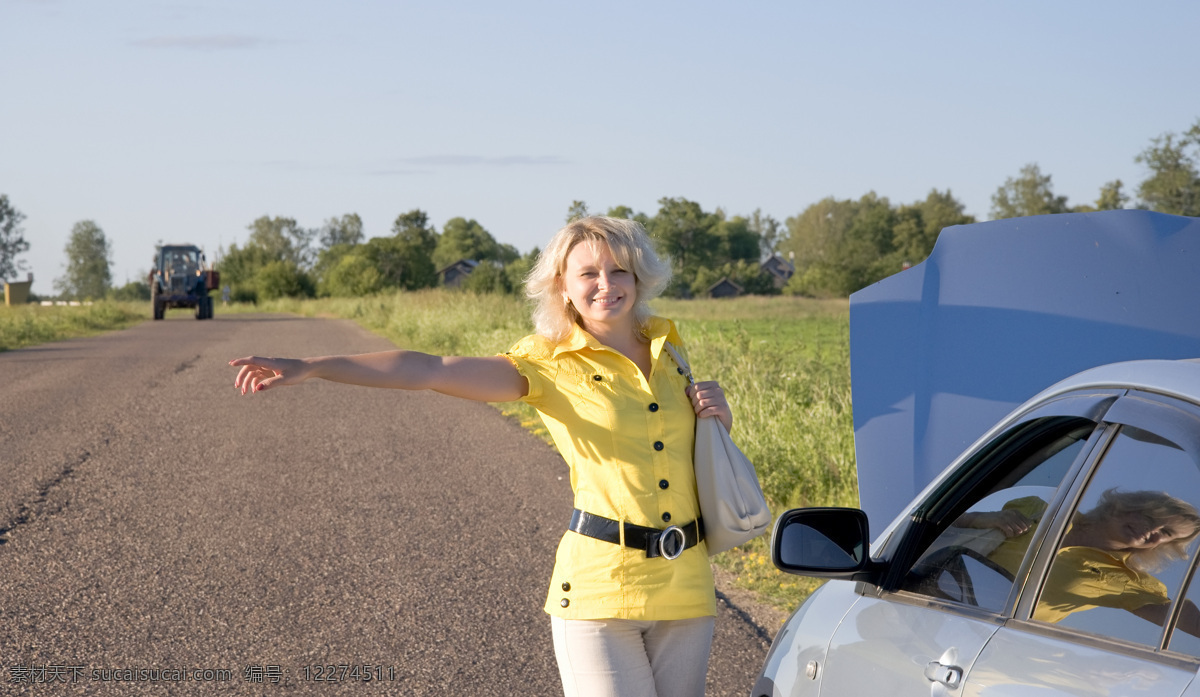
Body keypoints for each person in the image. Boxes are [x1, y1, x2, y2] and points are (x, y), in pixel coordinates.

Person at [230, 216, 731, 697]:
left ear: (639, 275)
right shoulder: (548, 362)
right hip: (602, 588)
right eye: (589, 273)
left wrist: (718, 423)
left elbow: (682, 456)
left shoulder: (670, 348)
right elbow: (428, 368)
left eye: (619, 269)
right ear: (562, 286)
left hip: (685, 584)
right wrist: (312, 366)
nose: (607, 283)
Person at [956, 488, 1200, 632]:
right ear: (1126, 505)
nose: (1153, 529)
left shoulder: (1126, 580)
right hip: (938, 605)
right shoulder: (1039, 508)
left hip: (987, 639)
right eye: (1150, 516)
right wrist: (977, 518)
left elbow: (1183, 617)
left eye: (1166, 532)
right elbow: (938, 529)